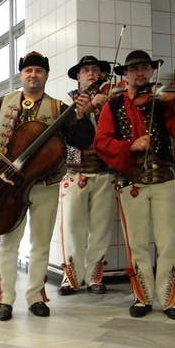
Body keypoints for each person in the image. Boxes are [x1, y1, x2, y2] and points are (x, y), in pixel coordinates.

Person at [0, 51, 95, 321]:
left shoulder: (60, 108)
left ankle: (36, 296)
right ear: (21, 75)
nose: (33, 75)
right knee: (9, 242)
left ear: (46, 75)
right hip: (6, 183)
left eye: (38, 70)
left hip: (45, 184)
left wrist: (83, 118)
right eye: (28, 71)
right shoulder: (4, 102)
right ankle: (4, 299)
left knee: (40, 243)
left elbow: (82, 142)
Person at [93, 50, 175, 321]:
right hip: (131, 181)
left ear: (151, 72)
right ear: (125, 74)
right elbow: (102, 142)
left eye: (145, 68)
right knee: (137, 243)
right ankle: (143, 297)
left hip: (163, 178)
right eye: (135, 69)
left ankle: (169, 298)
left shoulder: (162, 102)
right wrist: (131, 145)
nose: (140, 73)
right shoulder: (112, 106)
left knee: (167, 242)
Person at [58, 55, 116, 296]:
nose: (91, 73)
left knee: (101, 228)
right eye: (86, 70)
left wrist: (105, 105)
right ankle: (71, 277)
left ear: (102, 75)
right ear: (78, 77)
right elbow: (68, 133)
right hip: (75, 172)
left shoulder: (112, 100)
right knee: (72, 226)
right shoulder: (67, 103)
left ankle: (95, 275)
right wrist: (90, 106)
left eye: (95, 70)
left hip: (104, 171)